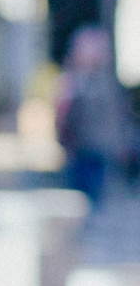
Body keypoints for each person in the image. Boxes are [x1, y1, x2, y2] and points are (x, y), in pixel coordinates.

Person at [55, 24, 128, 209]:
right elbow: (65, 114)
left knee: (92, 191)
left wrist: (118, 142)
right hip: (79, 146)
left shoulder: (103, 82)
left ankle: (90, 220)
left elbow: (114, 116)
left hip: (97, 147)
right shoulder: (72, 80)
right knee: (79, 191)